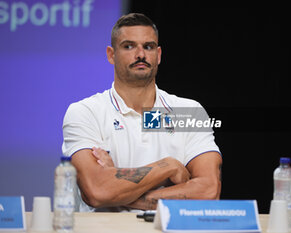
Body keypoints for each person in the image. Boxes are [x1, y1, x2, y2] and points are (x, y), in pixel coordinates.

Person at [62, 13, 222, 212]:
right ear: (111, 55)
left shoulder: (188, 112)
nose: (140, 55)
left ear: (159, 55)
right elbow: (96, 190)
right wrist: (167, 166)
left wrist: (121, 193)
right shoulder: (85, 112)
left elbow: (208, 191)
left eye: (148, 47)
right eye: (129, 46)